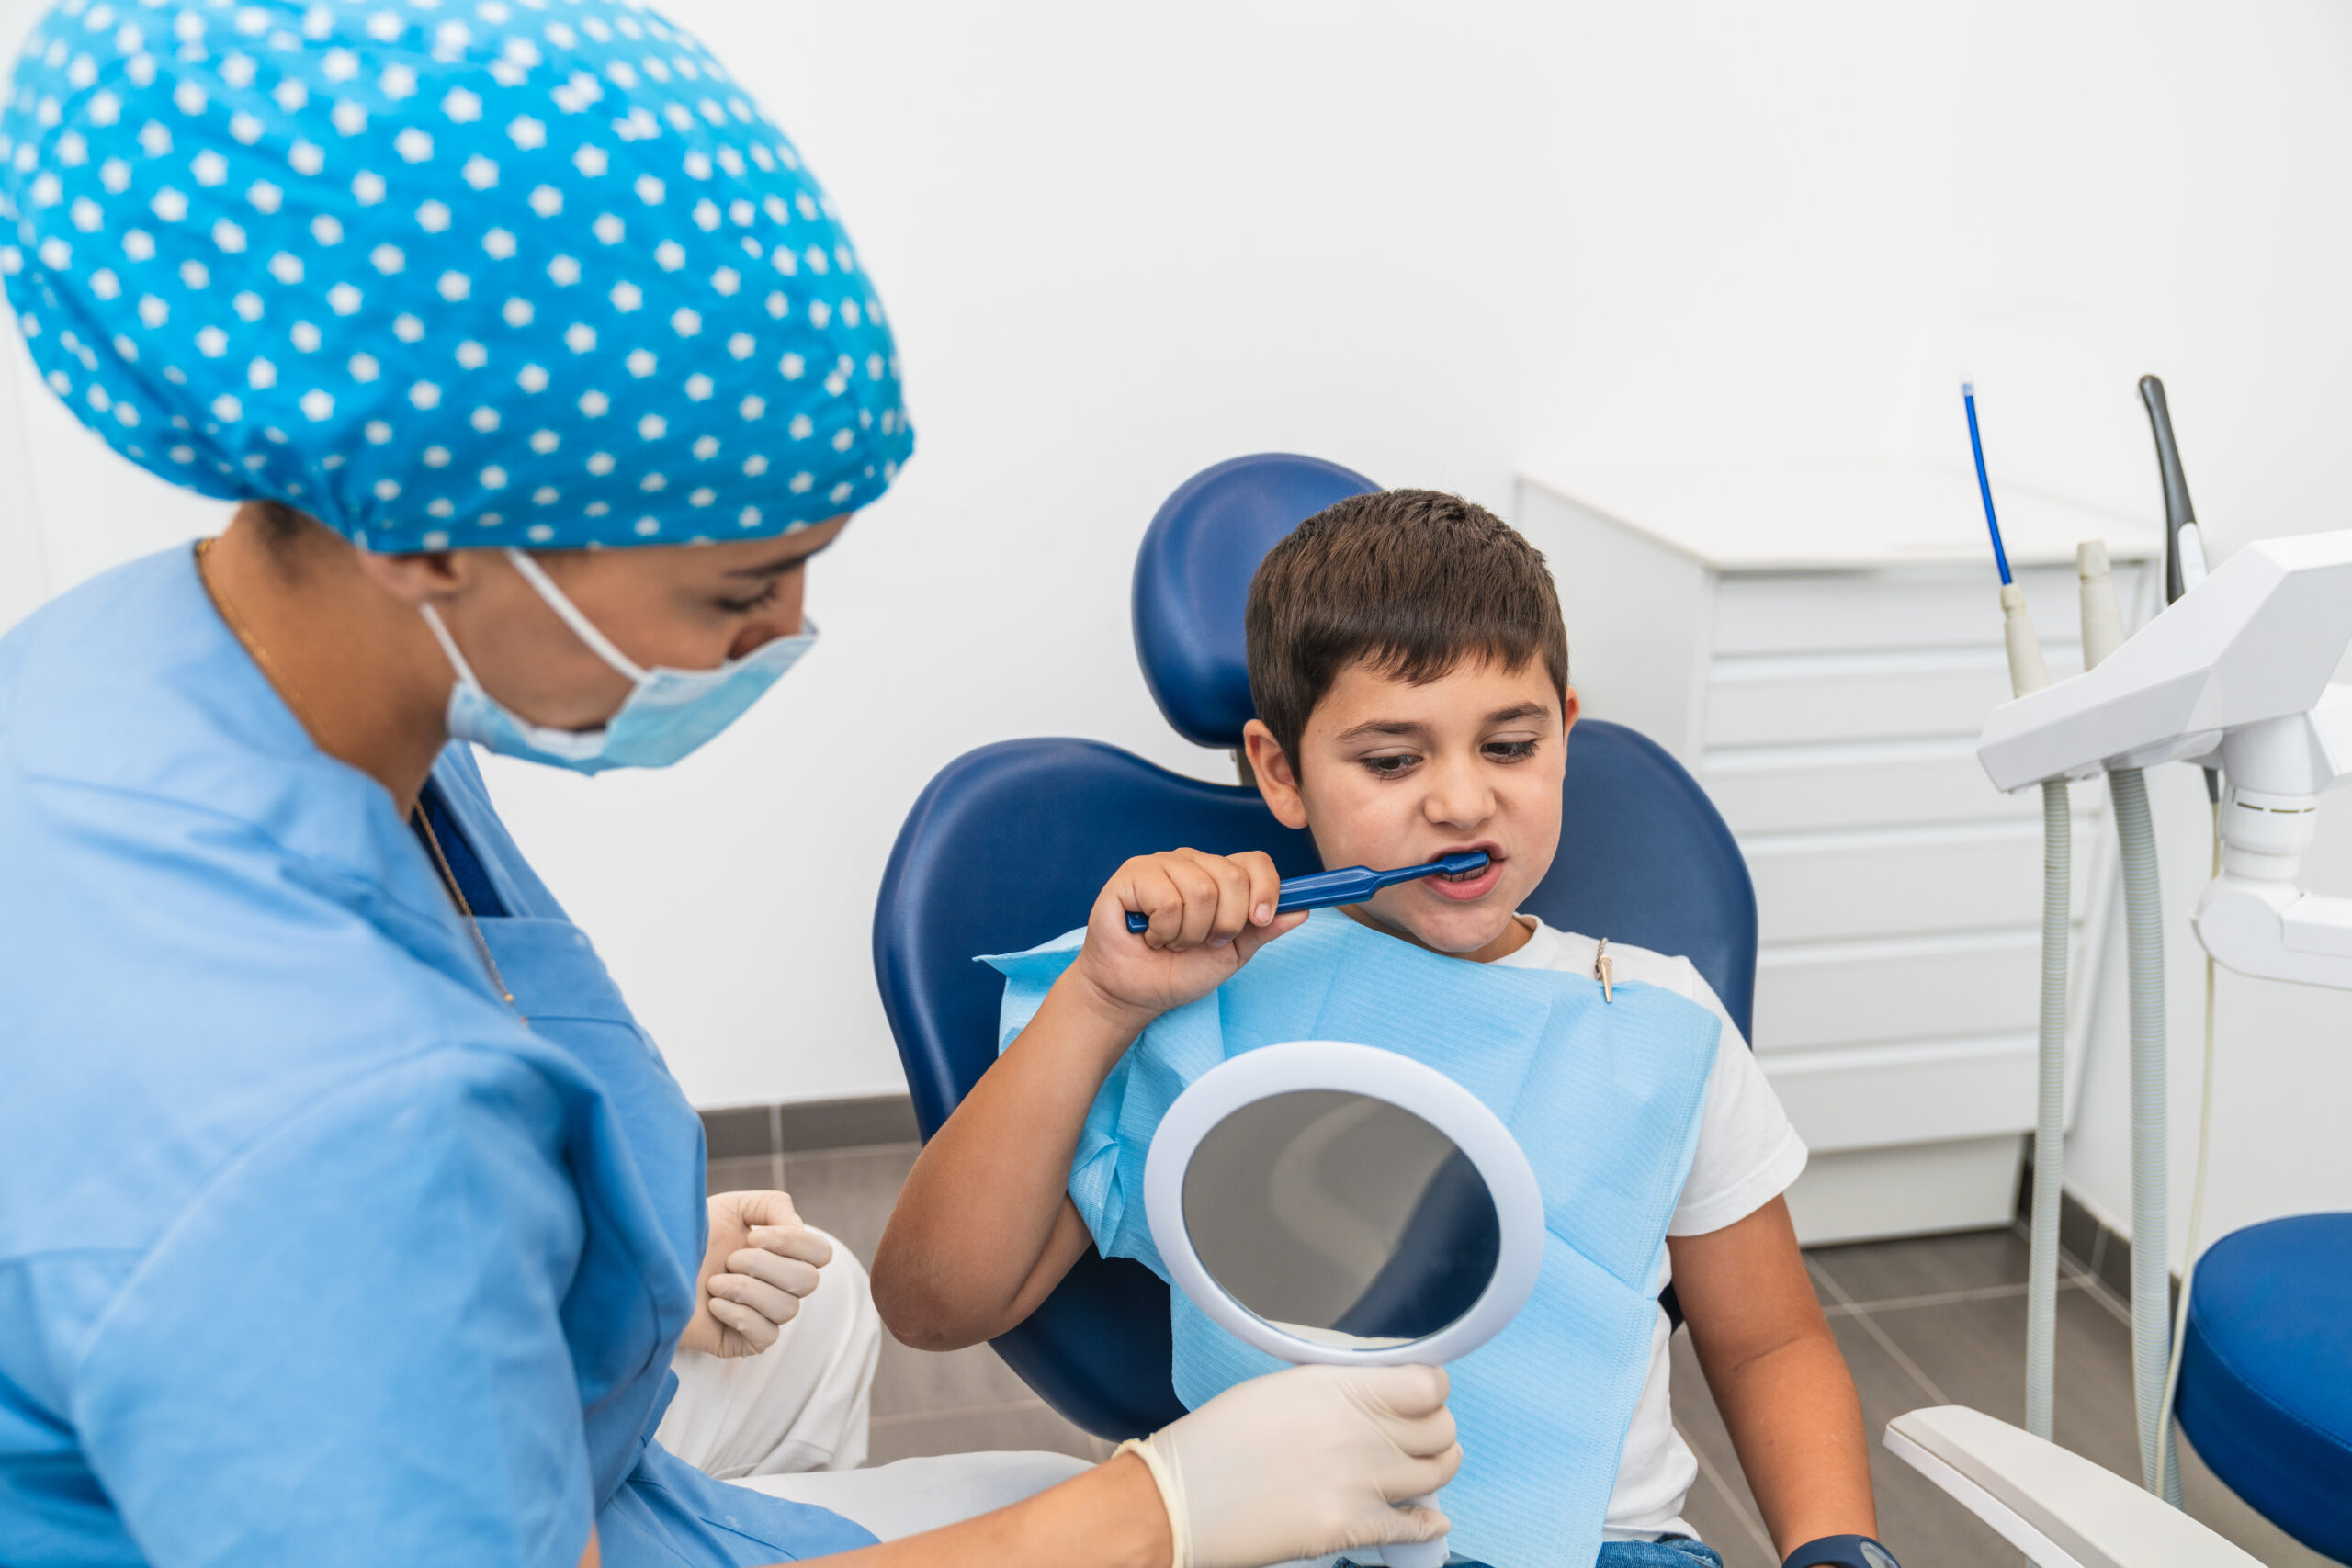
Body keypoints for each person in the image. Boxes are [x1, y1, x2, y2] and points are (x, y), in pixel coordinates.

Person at [0, 6, 1461, 1566]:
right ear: (427, 540)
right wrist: (1144, 1510)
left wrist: (584, 1268)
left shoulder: (193, 668)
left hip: (421, 1410)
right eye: (735, 593)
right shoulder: (314, 1124)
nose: (786, 637)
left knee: (806, 1307)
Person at [876, 491, 1894, 1568]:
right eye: (1392, 761)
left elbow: (1771, 1341)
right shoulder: (1186, 1005)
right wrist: (1098, 1004)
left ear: (1564, 734)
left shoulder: (1662, 1019)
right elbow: (935, 1306)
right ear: (1280, 770)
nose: (1461, 803)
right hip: (1264, 1540)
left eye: (1509, 744)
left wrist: (1834, 1545)